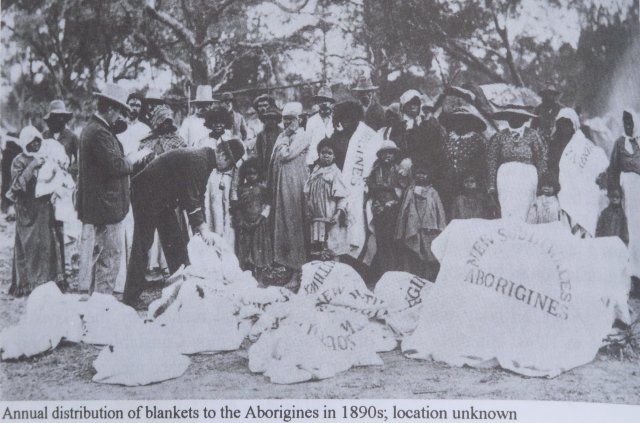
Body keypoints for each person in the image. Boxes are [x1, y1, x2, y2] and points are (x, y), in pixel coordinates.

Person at [77, 84, 148, 296]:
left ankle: (96, 303)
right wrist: (133, 160)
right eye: (118, 111)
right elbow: (115, 166)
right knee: (108, 260)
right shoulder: (99, 133)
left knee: (101, 259)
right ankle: (101, 308)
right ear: (110, 109)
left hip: (102, 205)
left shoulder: (95, 129)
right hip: (107, 207)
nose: (119, 116)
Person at [123, 147, 218, 306]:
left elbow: (198, 196)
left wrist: (201, 226)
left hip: (161, 198)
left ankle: (181, 287)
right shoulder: (200, 161)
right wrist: (202, 228)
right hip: (146, 193)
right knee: (143, 244)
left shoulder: (206, 161)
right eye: (228, 162)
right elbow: (192, 198)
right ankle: (130, 297)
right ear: (221, 155)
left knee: (174, 240)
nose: (228, 167)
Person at [7, 126, 65, 296]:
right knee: (30, 246)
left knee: (47, 244)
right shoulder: (19, 161)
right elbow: (16, 187)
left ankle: (49, 281)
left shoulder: (47, 156)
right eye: (31, 143)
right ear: (25, 144)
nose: (35, 146)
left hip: (44, 208)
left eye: (37, 141)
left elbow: (55, 176)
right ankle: (29, 283)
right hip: (27, 210)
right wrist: (32, 166)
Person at [331, 100, 382, 269]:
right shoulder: (336, 137)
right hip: (340, 187)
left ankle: (363, 267)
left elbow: (373, 161)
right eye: (343, 119)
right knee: (341, 228)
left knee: (361, 227)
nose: (347, 122)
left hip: (361, 189)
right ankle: (344, 264)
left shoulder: (367, 136)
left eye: (350, 118)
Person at [267, 102, 310, 275]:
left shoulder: (303, 135)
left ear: (300, 119)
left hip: (294, 184)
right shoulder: (283, 135)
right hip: (280, 184)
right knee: (282, 224)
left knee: (294, 223)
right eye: (285, 119)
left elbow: (286, 154)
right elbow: (273, 158)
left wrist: (284, 139)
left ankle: (298, 269)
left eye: (291, 119)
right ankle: (286, 266)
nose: (287, 123)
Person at [556, 107, 608, 238]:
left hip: (585, 191)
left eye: (567, 124)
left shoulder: (583, 144)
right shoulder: (555, 145)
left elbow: (597, 160)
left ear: (574, 125)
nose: (564, 128)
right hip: (563, 192)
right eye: (561, 125)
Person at [488, 108, 547, 220]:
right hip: (506, 177)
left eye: (518, 117)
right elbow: (492, 160)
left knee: (526, 208)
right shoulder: (499, 136)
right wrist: (491, 186)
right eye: (511, 117)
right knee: (508, 208)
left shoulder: (533, 135)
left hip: (527, 176)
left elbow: (541, 159)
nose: (514, 119)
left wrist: (542, 183)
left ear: (524, 119)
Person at [395, 161, 446, 281]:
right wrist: (402, 229)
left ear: (428, 176)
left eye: (424, 174)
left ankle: (429, 279)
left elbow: (440, 211)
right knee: (413, 254)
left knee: (429, 255)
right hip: (413, 227)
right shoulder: (410, 190)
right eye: (419, 173)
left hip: (429, 229)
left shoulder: (433, 192)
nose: (421, 176)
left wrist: (441, 228)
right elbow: (404, 209)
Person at [608, 109, 640, 292]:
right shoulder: (620, 143)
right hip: (627, 193)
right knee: (629, 232)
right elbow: (613, 169)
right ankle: (631, 280)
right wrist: (614, 192)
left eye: (630, 123)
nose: (628, 126)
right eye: (625, 123)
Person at [304, 138, 349, 260]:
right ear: (319, 154)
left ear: (334, 156)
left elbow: (342, 196)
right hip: (317, 216)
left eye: (329, 153)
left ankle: (335, 271)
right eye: (323, 153)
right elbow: (307, 193)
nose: (326, 156)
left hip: (330, 215)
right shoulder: (314, 171)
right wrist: (308, 209)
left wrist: (338, 214)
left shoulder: (335, 173)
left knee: (332, 246)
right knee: (318, 248)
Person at [438, 106, 488, 211]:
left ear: (469, 122)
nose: (460, 123)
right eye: (456, 120)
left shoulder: (478, 140)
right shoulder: (447, 139)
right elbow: (441, 160)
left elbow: (483, 164)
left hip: (470, 185)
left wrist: (472, 178)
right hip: (449, 184)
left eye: (463, 120)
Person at [367, 140, 403, 276]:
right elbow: (371, 187)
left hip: (395, 210)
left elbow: (402, 190)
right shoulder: (376, 170)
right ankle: (384, 272)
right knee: (381, 241)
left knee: (394, 241)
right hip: (379, 209)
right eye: (384, 153)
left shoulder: (399, 170)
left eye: (390, 153)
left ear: (394, 155)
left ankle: (395, 272)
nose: (387, 156)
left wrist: (392, 202)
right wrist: (378, 203)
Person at [234, 158, 273, 280]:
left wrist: (260, 219)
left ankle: (260, 277)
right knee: (246, 250)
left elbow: (268, 205)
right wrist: (240, 220)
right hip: (245, 224)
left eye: (254, 173)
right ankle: (247, 277)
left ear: (259, 173)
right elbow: (238, 206)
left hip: (259, 224)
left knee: (258, 250)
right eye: (248, 173)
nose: (251, 176)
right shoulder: (241, 189)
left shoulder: (262, 188)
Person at [205, 138, 245, 247]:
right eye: (220, 155)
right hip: (211, 212)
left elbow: (232, 197)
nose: (221, 160)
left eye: (228, 160)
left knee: (227, 229)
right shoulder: (212, 173)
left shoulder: (232, 177)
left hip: (226, 215)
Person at [42, 99, 79, 179]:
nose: (58, 120)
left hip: (65, 179)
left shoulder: (72, 136)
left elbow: (80, 158)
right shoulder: (44, 136)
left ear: (64, 119)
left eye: (61, 117)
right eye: (55, 117)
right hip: (46, 179)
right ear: (50, 118)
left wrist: (70, 170)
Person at [305, 86, 335, 167]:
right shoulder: (311, 121)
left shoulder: (335, 120)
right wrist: (310, 162)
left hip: (333, 160)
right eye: (321, 100)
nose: (324, 103)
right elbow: (308, 142)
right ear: (318, 102)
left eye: (327, 100)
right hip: (314, 160)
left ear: (331, 102)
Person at [254, 105, 282, 179]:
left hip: (280, 165)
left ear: (277, 120)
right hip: (266, 167)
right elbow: (258, 153)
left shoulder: (282, 133)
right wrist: (260, 169)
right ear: (264, 120)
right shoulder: (261, 135)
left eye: (273, 119)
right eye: (268, 119)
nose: (271, 121)